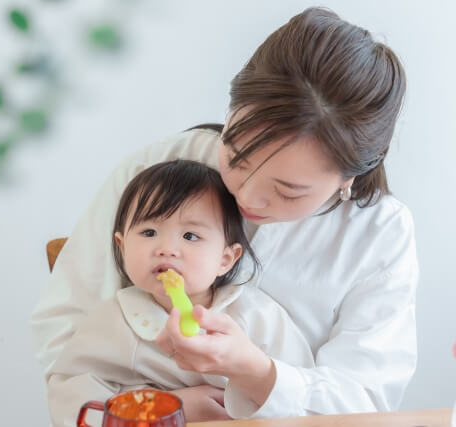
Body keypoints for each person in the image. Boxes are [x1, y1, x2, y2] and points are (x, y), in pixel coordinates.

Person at [32, 6, 418, 422]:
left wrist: (254, 371)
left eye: (287, 191)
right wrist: (163, 406)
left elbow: (364, 405)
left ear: (348, 178)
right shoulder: (161, 168)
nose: (246, 195)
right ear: (231, 107)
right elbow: (65, 336)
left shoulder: (380, 235)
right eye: (235, 154)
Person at [47, 160, 315, 427]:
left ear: (226, 259)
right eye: (149, 232)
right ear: (122, 247)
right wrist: (166, 407)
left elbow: (299, 394)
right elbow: (70, 397)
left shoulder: (257, 314)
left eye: (190, 236)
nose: (166, 248)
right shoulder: (116, 320)